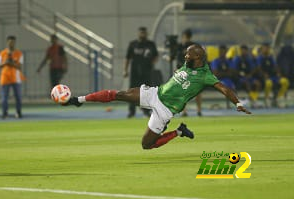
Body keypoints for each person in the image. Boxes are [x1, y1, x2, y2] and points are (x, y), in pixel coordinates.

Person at [64, 44, 251, 150]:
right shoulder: (188, 65)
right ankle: (79, 100)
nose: (185, 56)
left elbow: (224, 88)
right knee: (119, 95)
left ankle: (179, 132)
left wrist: (238, 103)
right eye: (186, 54)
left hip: (165, 110)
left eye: (189, 55)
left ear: (198, 58)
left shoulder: (205, 75)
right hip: (155, 93)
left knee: (147, 145)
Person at [124, 27, 158, 118]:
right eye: (141, 33)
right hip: (135, 72)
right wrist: (125, 70)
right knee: (132, 91)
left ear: (146, 34)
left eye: (144, 33)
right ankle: (131, 111)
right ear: (138, 33)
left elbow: (156, 56)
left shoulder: (150, 44)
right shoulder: (133, 44)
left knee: (146, 92)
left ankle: (146, 111)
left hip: (146, 72)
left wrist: (151, 64)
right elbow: (128, 58)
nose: (142, 34)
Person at [0, 35, 26, 119]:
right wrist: (6, 62)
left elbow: (19, 66)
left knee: (18, 97)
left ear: (15, 43)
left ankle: (18, 112)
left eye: (13, 42)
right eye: (10, 42)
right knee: (4, 98)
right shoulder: (3, 53)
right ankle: (4, 113)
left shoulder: (19, 53)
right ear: (7, 42)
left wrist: (11, 63)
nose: (11, 44)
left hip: (15, 78)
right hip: (5, 78)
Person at [176, 29, 202, 117]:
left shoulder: (193, 46)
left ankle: (197, 110)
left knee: (196, 91)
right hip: (184, 71)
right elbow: (177, 58)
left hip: (191, 70)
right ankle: (186, 111)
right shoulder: (180, 46)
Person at [254, 43, 290, 108]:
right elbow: (258, 68)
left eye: (268, 48)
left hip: (273, 76)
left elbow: (275, 66)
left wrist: (279, 73)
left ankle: (279, 98)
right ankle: (267, 98)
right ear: (262, 49)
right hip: (264, 77)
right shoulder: (259, 58)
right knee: (268, 83)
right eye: (265, 48)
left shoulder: (271, 57)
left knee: (285, 81)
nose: (267, 49)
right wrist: (264, 74)